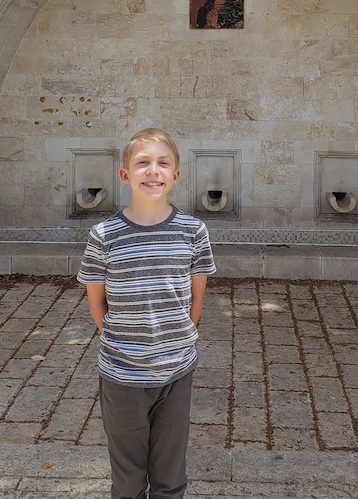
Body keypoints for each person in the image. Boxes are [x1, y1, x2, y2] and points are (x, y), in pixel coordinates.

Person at [77, 128, 216, 499]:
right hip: (122, 375)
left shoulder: (193, 231)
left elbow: (196, 299)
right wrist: (123, 343)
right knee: (128, 478)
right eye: (142, 163)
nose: (153, 171)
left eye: (162, 163)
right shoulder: (104, 235)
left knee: (170, 476)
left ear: (176, 175)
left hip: (176, 371)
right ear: (125, 175)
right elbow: (97, 302)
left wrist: (177, 339)